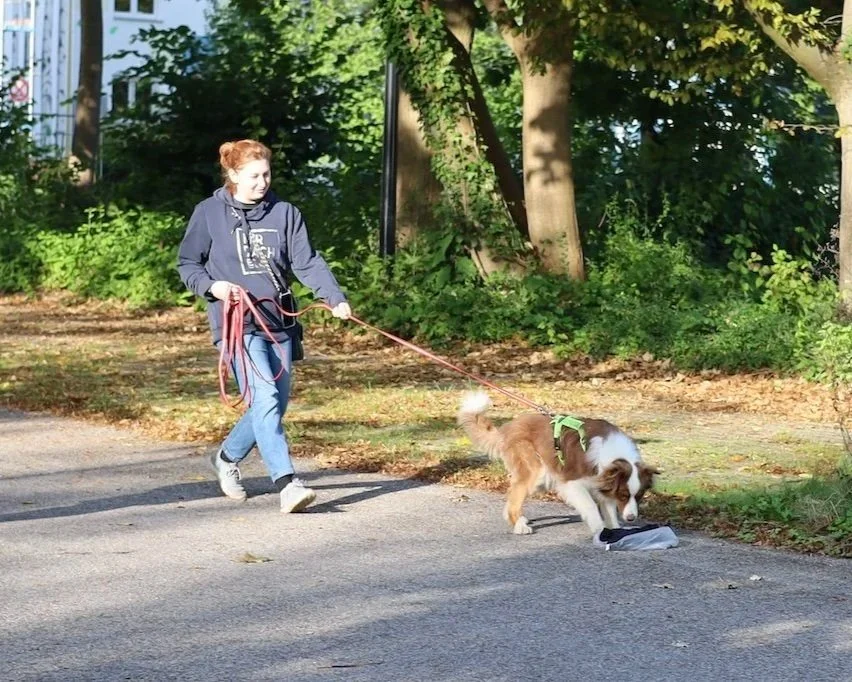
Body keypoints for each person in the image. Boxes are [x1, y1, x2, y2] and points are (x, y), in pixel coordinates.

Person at [177, 139, 351, 513]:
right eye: (254, 176)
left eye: (266, 174)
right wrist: (214, 287)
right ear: (234, 174)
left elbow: (307, 263)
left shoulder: (285, 213)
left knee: (275, 403)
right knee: (265, 399)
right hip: (237, 324)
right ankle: (287, 483)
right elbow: (188, 264)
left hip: (279, 322)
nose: (262, 182)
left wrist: (334, 297)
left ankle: (226, 457)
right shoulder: (209, 213)